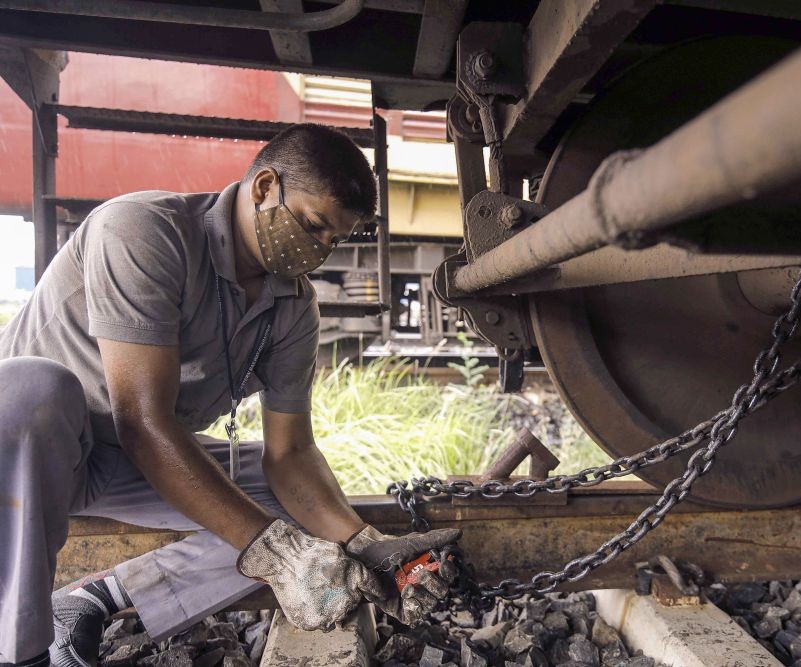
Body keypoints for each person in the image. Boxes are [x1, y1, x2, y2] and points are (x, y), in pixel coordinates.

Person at [0, 123, 461, 667]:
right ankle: (20, 651)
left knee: (302, 517)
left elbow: (290, 454)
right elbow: (144, 420)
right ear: (265, 186)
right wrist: (275, 555)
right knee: (33, 388)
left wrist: (364, 543)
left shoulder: (293, 308)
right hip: (33, 457)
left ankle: (95, 599)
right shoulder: (145, 231)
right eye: (313, 227)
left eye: (333, 240)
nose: (319, 251)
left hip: (125, 462)